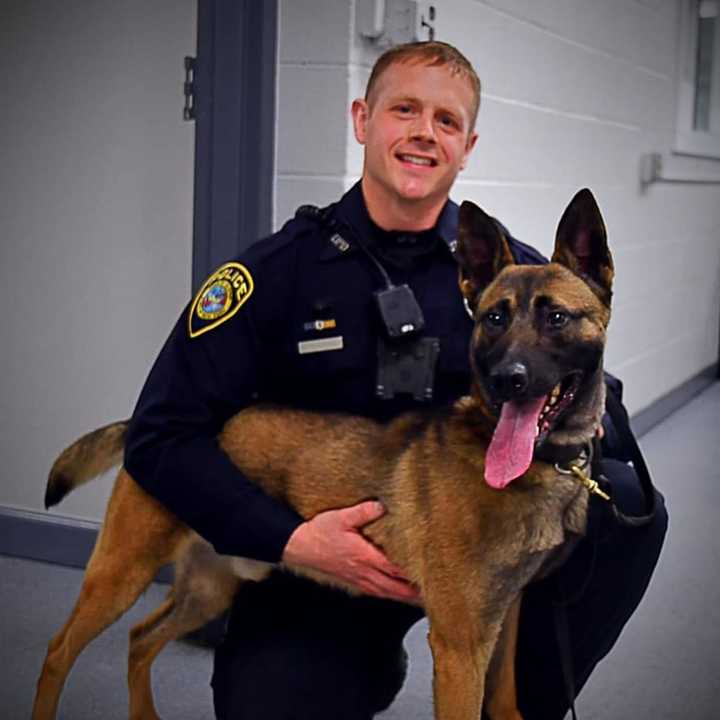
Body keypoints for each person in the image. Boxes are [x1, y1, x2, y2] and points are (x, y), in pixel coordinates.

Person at [124, 41, 668, 720]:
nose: (423, 132)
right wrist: (287, 538)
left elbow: (577, 373)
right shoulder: (274, 274)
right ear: (362, 118)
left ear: (468, 145)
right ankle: (364, 657)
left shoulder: (519, 276)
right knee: (273, 704)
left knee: (626, 506)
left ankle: (525, 700)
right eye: (403, 109)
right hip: (322, 560)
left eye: (446, 120)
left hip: (479, 534)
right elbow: (159, 438)